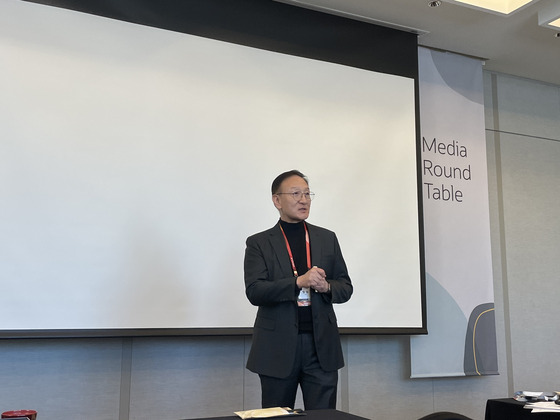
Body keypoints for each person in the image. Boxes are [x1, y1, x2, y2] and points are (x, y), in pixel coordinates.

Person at [244, 169, 353, 410]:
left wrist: (326, 286)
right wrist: (297, 282)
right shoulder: (259, 243)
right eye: (295, 193)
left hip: (320, 347)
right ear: (277, 200)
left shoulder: (327, 238)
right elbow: (255, 291)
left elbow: (345, 287)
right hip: (277, 347)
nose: (303, 200)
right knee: (275, 415)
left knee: (324, 416)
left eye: (307, 194)